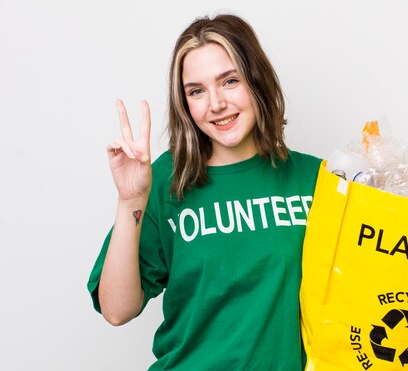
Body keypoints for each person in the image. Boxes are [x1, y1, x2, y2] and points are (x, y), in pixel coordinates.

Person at [87, 13, 322, 370]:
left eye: (230, 81)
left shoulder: (316, 179)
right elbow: (117, 310)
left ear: (257, 80)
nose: (216, 104)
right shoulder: (164, 180)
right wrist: (131, 201)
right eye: (196, 91)